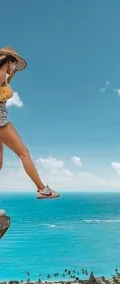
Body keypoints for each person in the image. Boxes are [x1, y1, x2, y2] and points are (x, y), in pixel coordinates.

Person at [0, 47, 60, 199]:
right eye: (14, 64)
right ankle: (42, 189)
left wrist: (10, 73)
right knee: (23, 153)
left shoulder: (3, 75)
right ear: (10, 61)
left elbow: (4, 85)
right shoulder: (0, 74)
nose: (15, 68)